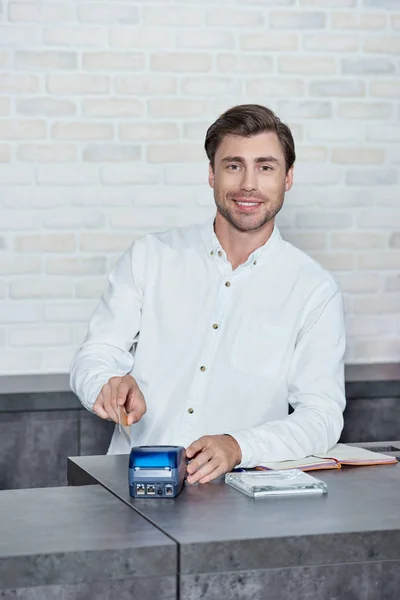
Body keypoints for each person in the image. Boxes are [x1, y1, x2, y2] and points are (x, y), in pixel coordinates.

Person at [70, 104, 346, 485]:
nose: (249, 184)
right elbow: (95, 356)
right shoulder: (151, 257)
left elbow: (322, 415)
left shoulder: (314, 289)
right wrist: (106, 384)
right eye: (234, 166)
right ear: (212, 175)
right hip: (130, 484)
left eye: (265, 167)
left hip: (239, 495)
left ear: (288, 178)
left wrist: (239, 445)